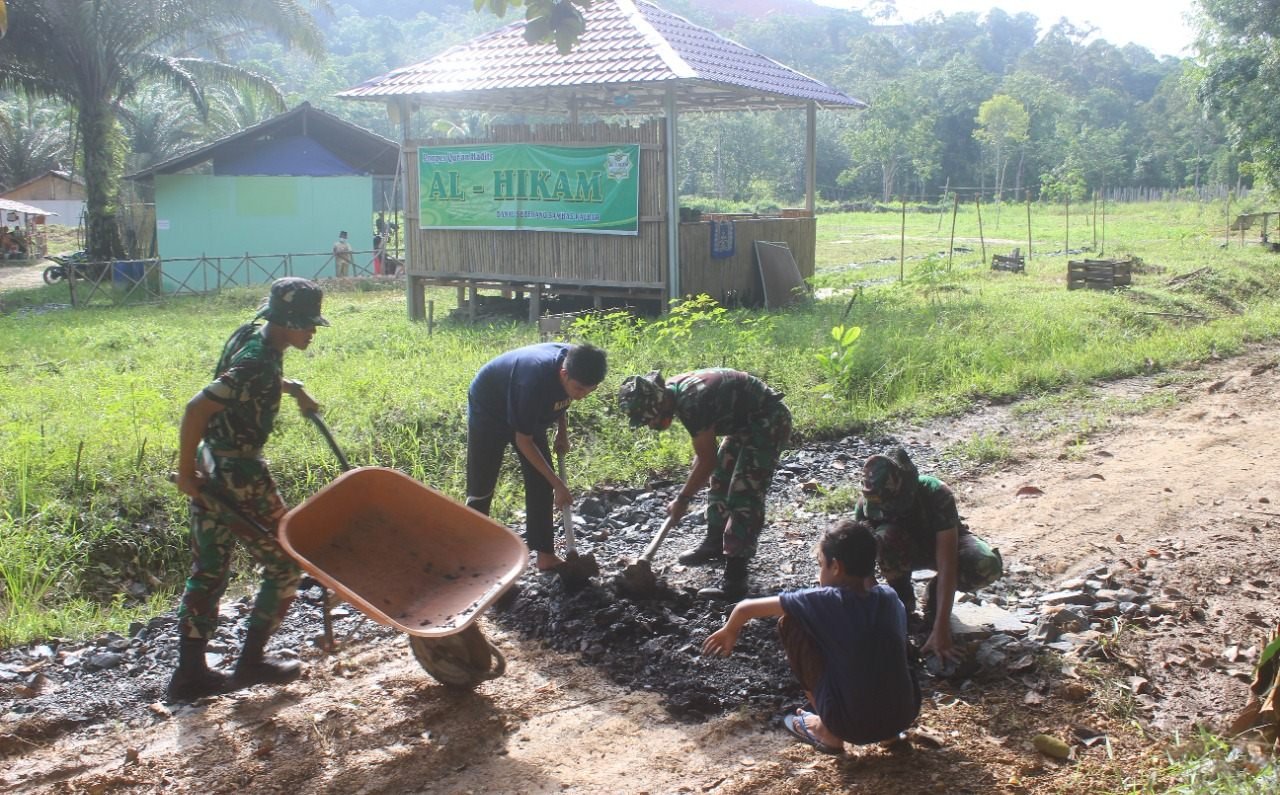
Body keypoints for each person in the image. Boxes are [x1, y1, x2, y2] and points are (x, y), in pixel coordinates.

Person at [167, 277, 329, 703]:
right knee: (287, 562)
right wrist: (184, 474)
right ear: (288, 322)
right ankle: (251, 663)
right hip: (237, 474)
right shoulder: (258, 360)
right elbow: (197, 406)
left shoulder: (254, 340)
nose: (312, 332)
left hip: (212, 463)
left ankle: (189, 675)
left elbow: (244, 385)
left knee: (210, 567)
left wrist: (293, 389)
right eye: (308, 324)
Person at [702, 519, 920, 753]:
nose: (819, 574)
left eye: (820, 565)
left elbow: (746, 608)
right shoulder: (889, 597)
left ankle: (827, 730)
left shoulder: (825, 600)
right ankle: (889, 736)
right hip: (904, 714)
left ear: (835, 567)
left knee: (792, 622)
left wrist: (730, 631)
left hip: (851, 726)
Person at [618, 368, 791, 600]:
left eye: (649, 419)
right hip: (743, 422)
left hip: (768, 420)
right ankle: (714, 543)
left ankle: (736, 578)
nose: (650, 426)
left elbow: (707, 459)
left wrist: (683, 498)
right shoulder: (673, 393)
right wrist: (687, 490)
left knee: (744, 491)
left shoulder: (692, 401)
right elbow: (704, 457)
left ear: (658, 405)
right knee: (720, 477)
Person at [466, 342, 608, 571]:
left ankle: (545, 555)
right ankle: (473, 553)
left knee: (541, 481)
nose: (582, 396)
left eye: (589, 391)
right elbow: (524, 441)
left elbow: (564, 397)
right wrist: (560, 486)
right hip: (490, 408)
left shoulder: (579, 362)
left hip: (528, 408)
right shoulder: (533, 381)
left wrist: (562, 431)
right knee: (482, 485)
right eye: (580, 389)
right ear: (564, 373)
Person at [854, 447, 1004, 662]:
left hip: (940, 544)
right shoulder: (866, 508)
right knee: (886, 537)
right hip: (899, 551)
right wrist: (887, 622)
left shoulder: (935, 493)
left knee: (985, 564)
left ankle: (934, 599)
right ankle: (902, 600)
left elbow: (948, 562)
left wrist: (941, 627)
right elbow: (864, 573)